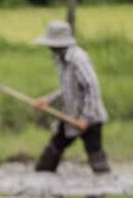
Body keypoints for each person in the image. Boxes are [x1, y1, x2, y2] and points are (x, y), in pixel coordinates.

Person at [30, 20, 110, 174]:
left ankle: (104, 185)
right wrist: (48, 100)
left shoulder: (78, 59)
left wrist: (85, 119)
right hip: (70, 116)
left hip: (90, 118)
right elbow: (69, 89)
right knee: (52, 151)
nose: (49, 48)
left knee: (96, 156)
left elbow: (91, 87)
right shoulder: (61, 60)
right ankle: (43, 179)